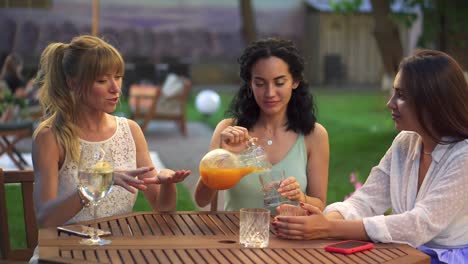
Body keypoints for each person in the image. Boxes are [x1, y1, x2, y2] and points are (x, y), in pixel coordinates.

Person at [272, 50, 468, 263]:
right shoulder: (405, 143)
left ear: (432, 101)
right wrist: (319, 220)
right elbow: (366, 200)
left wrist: (328, 227)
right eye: (393, 93)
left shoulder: (463, 156)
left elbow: (418, 224)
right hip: (406, 254)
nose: (390, 103)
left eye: (401, 95)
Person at [32, 35, 191, 230]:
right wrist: (98, 183)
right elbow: (45, 218)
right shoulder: (51, 137)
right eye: (102, 80)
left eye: (117, 77)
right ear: (72, 83)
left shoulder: (131, 131)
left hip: (118, 248)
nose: (115, 88)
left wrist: (167, 183)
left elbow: (162, 207)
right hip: (67, 250)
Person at [194, 38, 329, 211]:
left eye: (279, 82)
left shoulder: (314, 135)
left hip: (289, 235)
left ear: (295, 82)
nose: (270, 93)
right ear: (250, 83)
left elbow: (319, 204)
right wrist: (222, 156)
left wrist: (301, 197)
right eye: (260, 83)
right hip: (235, 235)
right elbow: (201, 200)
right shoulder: (228, 130)